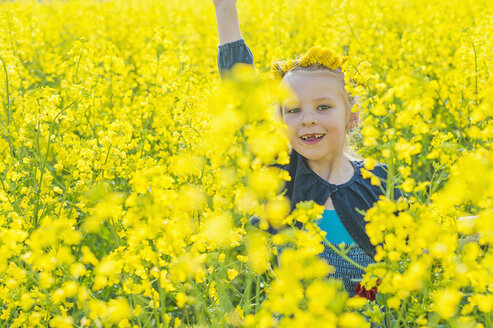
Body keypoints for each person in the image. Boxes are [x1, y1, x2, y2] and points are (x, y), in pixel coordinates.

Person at [212, 0, 403, 296]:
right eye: (293, 110)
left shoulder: (378, 178)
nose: (308, 120)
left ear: (352, 115)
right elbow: (241, 93)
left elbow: (421, 240)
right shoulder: (281, 173)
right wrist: (225, 8)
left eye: (323, 107)